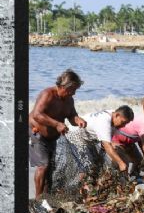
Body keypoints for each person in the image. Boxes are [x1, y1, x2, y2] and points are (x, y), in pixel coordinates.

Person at [28, 70, 87, 201]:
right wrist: (56, 124)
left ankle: (46, 198)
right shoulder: (47, 94)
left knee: (50, 168)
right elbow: (37, 114)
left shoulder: (69, 100)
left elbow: (72, 116)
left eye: (75, 90)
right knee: (43, 165)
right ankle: (38, 201)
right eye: (72, 89)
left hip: (52, 137)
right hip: (35, 132)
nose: (74, 93)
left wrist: (79, 120)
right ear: (62, 86)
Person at [64, 106, 134, 175]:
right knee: (87, 169)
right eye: (123, 122)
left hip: (88, 141)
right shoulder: (104, 122)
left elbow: (104, 145)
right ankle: (83, 185)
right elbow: (107, 146)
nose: (124, 126)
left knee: (97, 166)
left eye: (126, 123)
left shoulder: (114, 117)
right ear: (117, 115)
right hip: (75, 137)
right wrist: (121, 163)